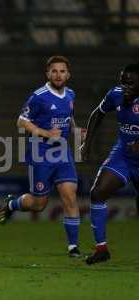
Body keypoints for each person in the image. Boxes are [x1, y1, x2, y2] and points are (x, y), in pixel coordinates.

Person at [0, 56, 82, 257]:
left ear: (68, 74)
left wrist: (76, 129)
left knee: (70, 195)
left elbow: (68, 116)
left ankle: (73, 247)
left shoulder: (70, 94)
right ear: (47, 74)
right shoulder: (39, 96)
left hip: (62, 153)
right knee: (39, 204)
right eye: (54, 71)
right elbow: (21, 121)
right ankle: (12, 204)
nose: (58, 75)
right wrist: (46, 133)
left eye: (62, 71)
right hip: (40, 153)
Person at [81, 62, 139, 264]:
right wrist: (87, 144)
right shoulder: (115, 95)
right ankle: (101, 249)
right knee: (97, 193)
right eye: (123, 82)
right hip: (123, 154)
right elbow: (98, 114)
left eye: (131, 83)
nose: (125, 87)